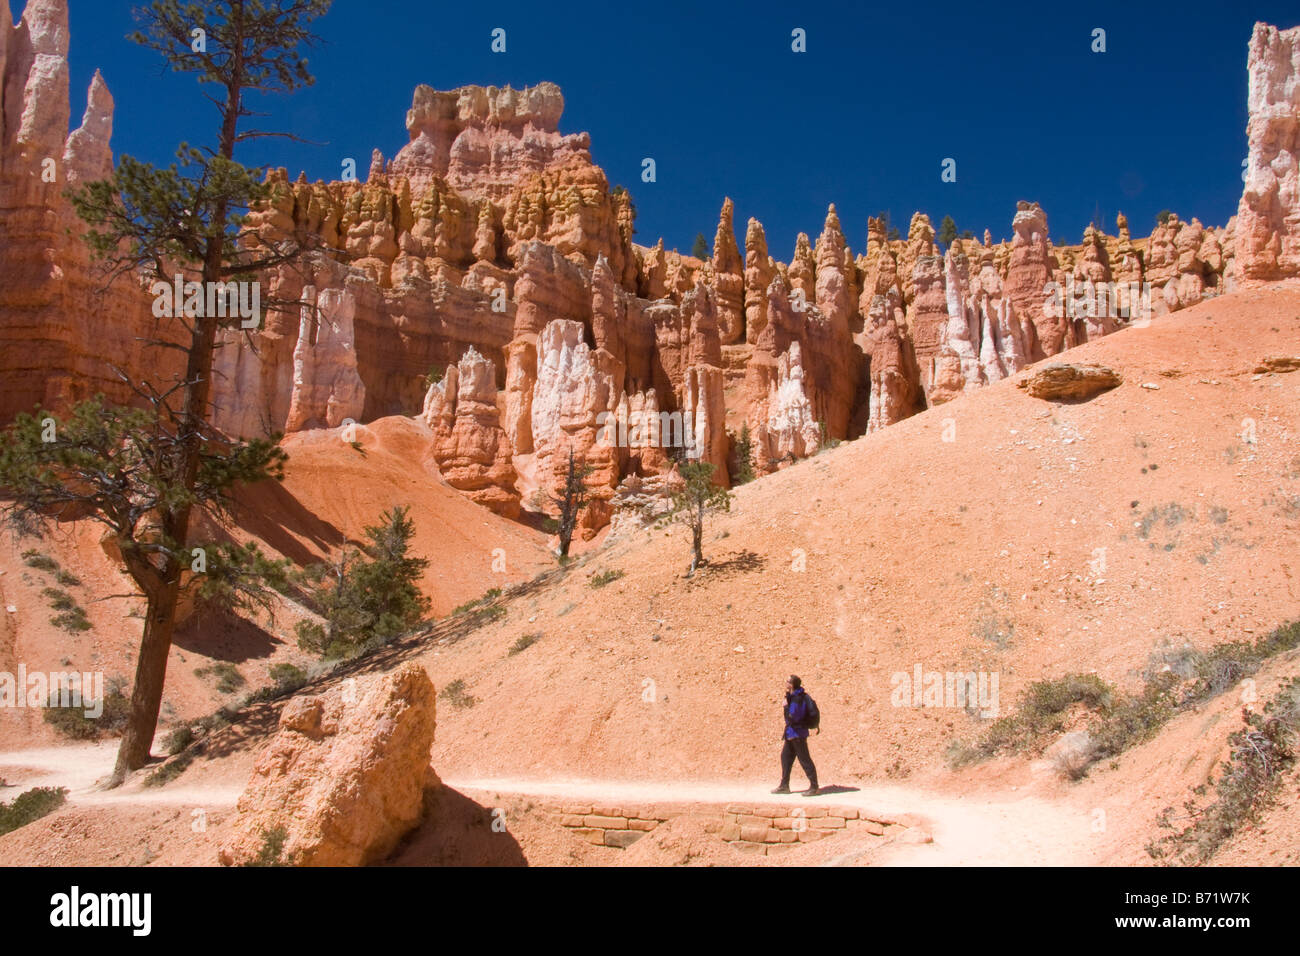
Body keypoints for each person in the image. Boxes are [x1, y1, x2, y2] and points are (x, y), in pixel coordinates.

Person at [772, 675, 820, 796]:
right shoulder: (793, 696)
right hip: (792, 733)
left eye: (788, 681)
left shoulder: (797, 698)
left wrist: (786, 707)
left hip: (797, 734)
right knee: (785, 758)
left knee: (804, 760)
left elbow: (794, 716)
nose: (785, 682)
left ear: (792, 685)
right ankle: (784, 785)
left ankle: (814, 786)